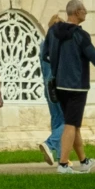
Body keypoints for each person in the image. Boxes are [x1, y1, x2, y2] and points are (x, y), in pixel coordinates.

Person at [40, 1, 95, 170]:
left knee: (74, 124)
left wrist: (57, 67)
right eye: (84, 10)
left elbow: (45, 54)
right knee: (70, 124)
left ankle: (84, 162)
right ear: (77, 12)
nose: (86, 13)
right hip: (77, 87)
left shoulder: (53, 31)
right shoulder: (80, 35)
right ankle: (63, 164)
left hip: (59, 85)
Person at [38, 10, 67, 169]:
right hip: (60, 85)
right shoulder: (61, 44)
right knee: (69, 121)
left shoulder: (44, 44)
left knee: (57, 120)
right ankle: (50, 144)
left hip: (48, 86)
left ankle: (61, 158)